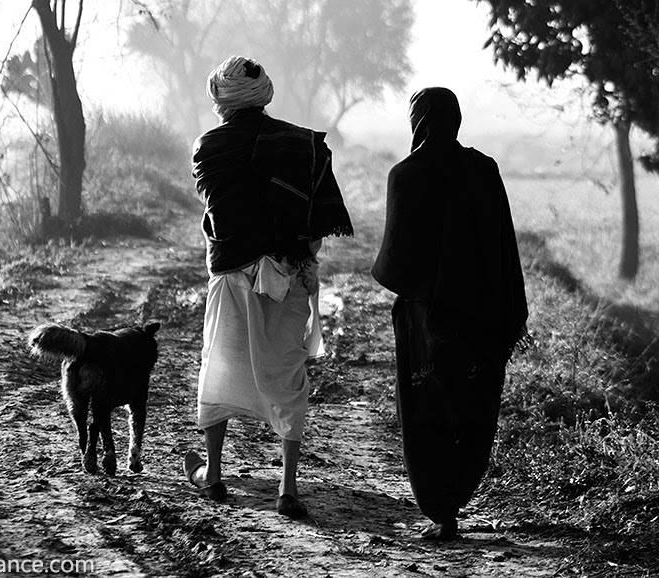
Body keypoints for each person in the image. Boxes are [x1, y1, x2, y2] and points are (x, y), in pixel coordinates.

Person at [183, 55, 353, 519]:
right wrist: (297, 259)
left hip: (231, 276)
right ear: (265, 94)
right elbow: (314, 226)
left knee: (218, 368)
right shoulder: (304, 146)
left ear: (221, 99)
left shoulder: (208, 147)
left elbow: (218, 211)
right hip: (289, 274)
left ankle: (212, 475)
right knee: (286, 376)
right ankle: (288, 489)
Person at [371, 87, 530, 540]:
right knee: (471, 409)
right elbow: (504, 247)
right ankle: (456, 498)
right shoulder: (484, 170)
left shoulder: (405, 175)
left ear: (417, 122)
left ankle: (443, 512)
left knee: (428, 414)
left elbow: (394, 266)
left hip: (426, 324)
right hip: (481, 319)